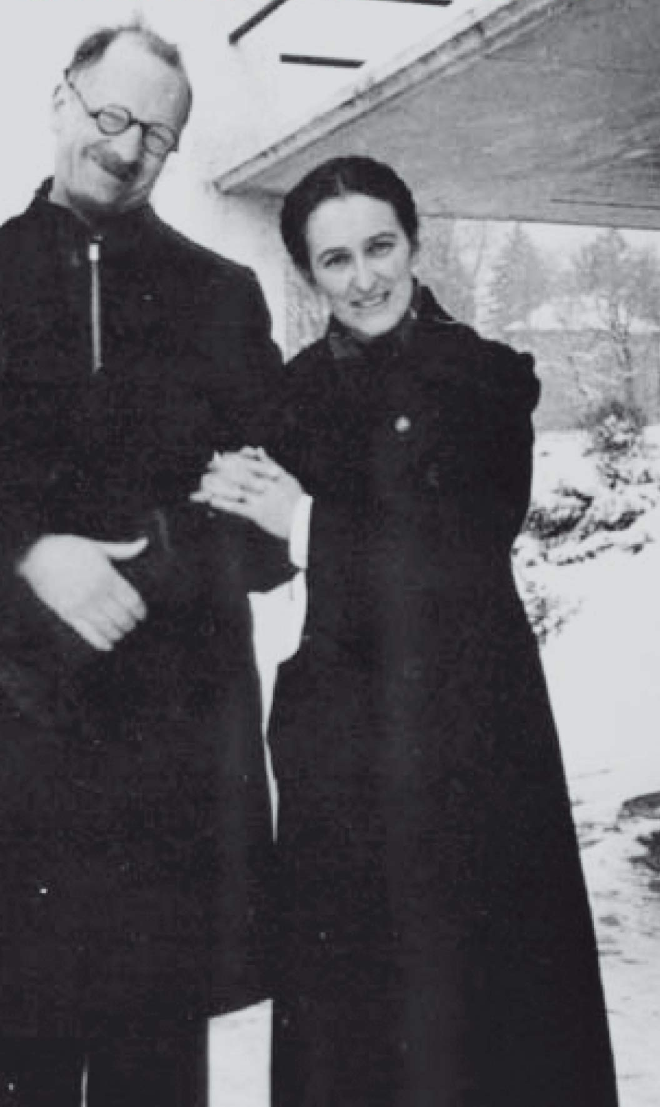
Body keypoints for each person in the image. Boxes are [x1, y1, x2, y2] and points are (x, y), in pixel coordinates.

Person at [0, 25, 288, 1106]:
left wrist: (159, 561)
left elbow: (270, 526)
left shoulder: (222, 294)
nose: (128, 147)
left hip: (168, 756)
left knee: (156, 1069)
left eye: (158, 134)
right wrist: (27, 552)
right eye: (111, 115)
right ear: (60, 101)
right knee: (8, 1061)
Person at [194, 156, 620, 1107]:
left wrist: (301, 522)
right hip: (340, 758)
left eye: (379, 246)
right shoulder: (289, 396)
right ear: (309, 275)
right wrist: (227, 497)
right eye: (335, 259)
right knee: (357, 1031)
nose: (364, 278)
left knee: (486, 1025)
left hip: (473, 744)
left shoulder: (485, 379)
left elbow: (461, 555)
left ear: (414, 242)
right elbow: (256, 560)